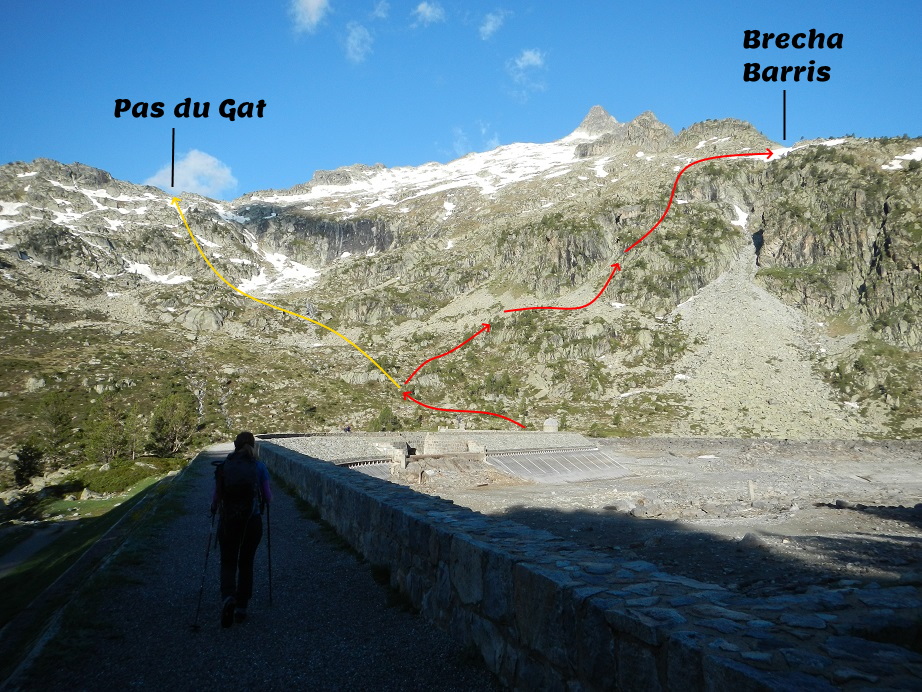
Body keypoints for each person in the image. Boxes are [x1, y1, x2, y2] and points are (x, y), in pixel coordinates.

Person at [211, 431, 272, 627]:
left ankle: (228, 597)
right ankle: (242, 607)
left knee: (228, 561)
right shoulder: (259, 466)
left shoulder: (224, 465)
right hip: (251, 522)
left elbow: (216, 496)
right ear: (253, 446)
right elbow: (268, 497)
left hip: (228, 521)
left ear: (235, 445)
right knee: (246, 563)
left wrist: (214, 508)